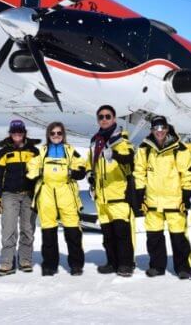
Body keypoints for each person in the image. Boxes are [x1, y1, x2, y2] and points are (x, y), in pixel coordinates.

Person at [134, 116, 191, 279]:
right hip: (152, 201)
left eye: (162, 128)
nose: (159, 131)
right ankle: (157, 266)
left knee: (179, 237)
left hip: (174, 202)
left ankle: (183, 267)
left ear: (167, 129)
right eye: (156, 128)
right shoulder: (144, 149)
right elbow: (139, 172)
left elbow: (187, 172)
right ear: (152, 130)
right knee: (154, 237)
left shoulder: (179, 149)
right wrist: (140, 194)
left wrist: (186, 194)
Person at [26, 122, 86, 276]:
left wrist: (78, 172)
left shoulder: (70, 150)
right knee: (48, 230)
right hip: (47, 192)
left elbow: (81, 164)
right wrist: (35, 172)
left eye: (59, 133)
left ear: (63, 134)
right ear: (48, 135)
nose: (56, 136)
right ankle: (50, 265)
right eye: (53, 133)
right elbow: (32, 165)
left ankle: (76, 265)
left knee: (73, 230)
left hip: (65, 191)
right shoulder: (43, 151)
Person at [86, 105, 137, 277]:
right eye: (101, 117)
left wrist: (114, 155)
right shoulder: (95, 140)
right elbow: (90, 162)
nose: (104, 119)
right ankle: (112, 262)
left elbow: (130, 159)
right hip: (101, 196)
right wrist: (89, 174)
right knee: (108, 235)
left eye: (108, 116)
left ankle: (126, 264)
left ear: (114, 118)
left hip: (118, 195)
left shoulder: (121, 139)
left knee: (122, 234)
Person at [0, 120, 40, 276]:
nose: (17, 134)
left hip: (29, 195)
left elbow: (40, 174)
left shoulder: (34, 151)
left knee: (28, 229)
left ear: (24, 133)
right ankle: (7, 263)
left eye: (20, 131)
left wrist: (39, 195)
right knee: (9, 229)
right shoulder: (4, 152)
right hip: (9, 195)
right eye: (14, 132)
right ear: (10, 133)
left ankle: (25, 260)